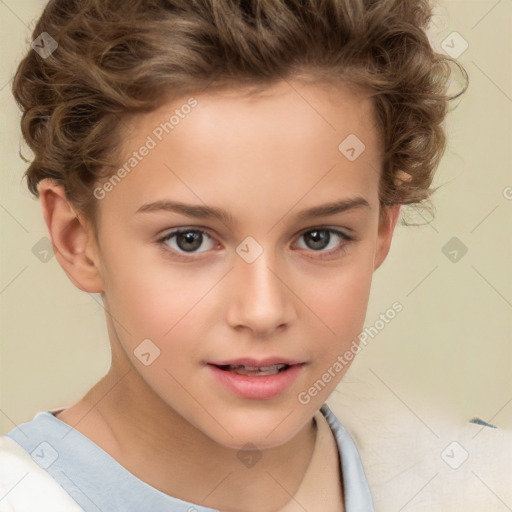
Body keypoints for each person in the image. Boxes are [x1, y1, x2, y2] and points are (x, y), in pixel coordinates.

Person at [0, 0, 471, 510]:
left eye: (319, 237)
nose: (263, 311)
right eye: (189, 240)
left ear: (382, 228)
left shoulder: (474, 484)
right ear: (77, 239)